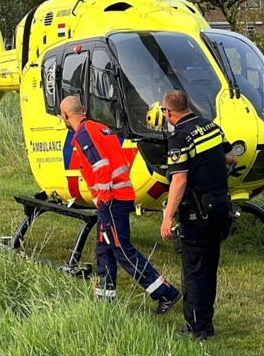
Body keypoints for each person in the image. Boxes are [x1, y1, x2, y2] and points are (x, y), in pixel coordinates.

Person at [60, 95, 181, 313]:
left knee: (120, 249)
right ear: (83, 109)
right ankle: (104, 300)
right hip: (119, 197)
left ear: (65, 115)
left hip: (112, 200)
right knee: (104, 247)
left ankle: (165, 293)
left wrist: (103, 200)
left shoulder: (84, 134)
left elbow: (101, 167)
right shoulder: (100, 128)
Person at [158, 89, 237, 340]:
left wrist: (167, 217)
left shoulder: (179, 137)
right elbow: (231, 156)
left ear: (167, 112)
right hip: (221, 206)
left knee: (193, 270)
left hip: (197, 212)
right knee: (209, 267)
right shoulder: (211, 127)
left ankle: (195, 328)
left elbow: (179, 180)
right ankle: (206, 323)